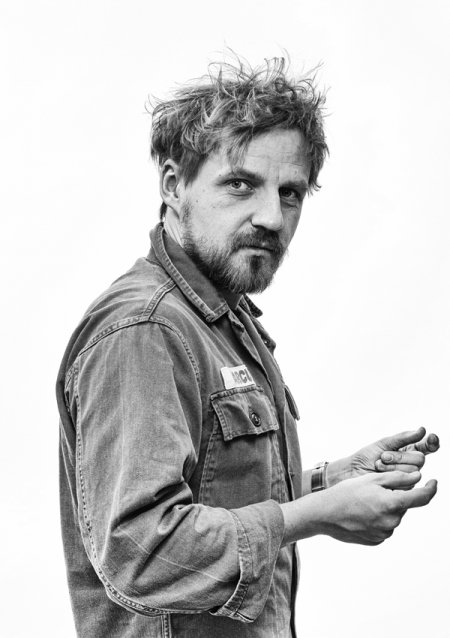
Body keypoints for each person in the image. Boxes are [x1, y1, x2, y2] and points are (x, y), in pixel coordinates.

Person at [56, 57, 439, 638]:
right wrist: (315, 516)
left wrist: (328, 483)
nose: (272, 217)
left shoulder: (219, 318)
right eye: (241, 184)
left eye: (291, 193)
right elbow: (142, 553)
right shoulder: (145, 329)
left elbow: (210, 494)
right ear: (173, 184)